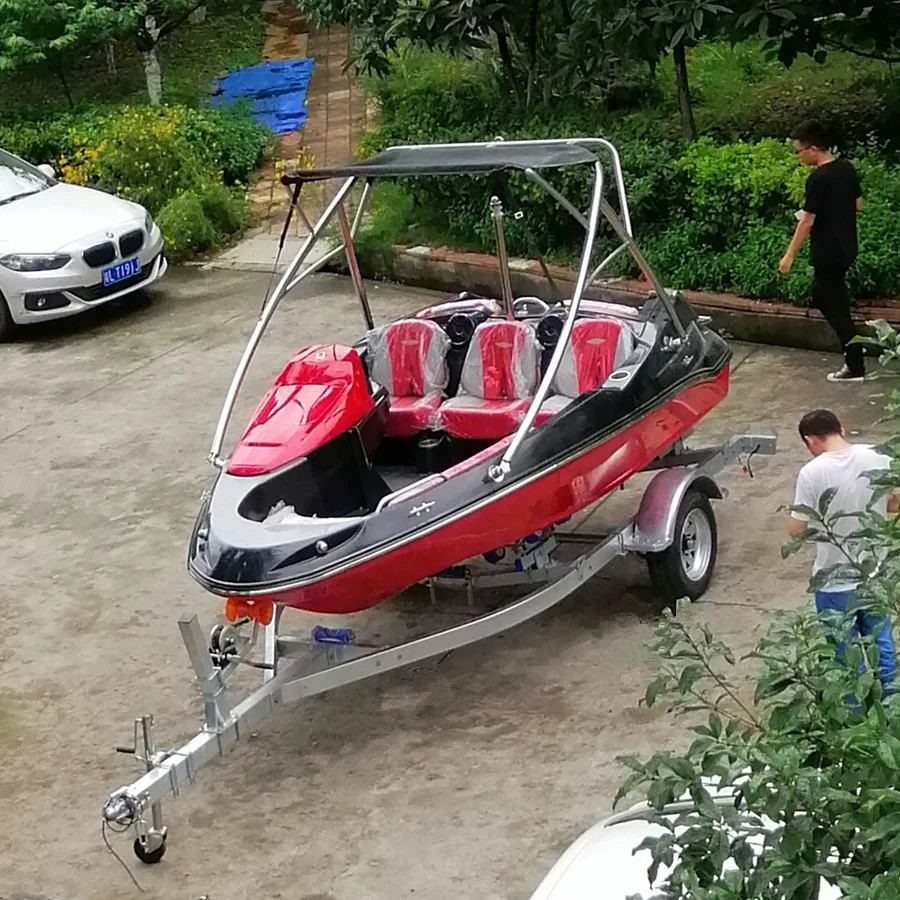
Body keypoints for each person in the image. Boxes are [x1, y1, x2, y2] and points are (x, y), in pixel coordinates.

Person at [788, 409, 898, 691]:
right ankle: (892, 704)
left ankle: (854, 712)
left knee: (845, 658)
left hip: (833, 581)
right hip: (874, 573)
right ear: (842, 430)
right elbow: (895, 502)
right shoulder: (878, 456)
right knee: (882, 646)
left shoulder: (812, 472)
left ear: (810, 440)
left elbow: (796, 530)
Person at [779, 120, 865, 383]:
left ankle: (855, 363)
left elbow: (807, 221)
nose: (798, 156)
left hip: (828, 251)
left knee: (834, 306)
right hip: (847, 246)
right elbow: (858, 205)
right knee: (827, 297)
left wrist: (789, 255)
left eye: (799, 151)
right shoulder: (846, 168)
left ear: (813, 149)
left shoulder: (818, 178)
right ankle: (853, 349)